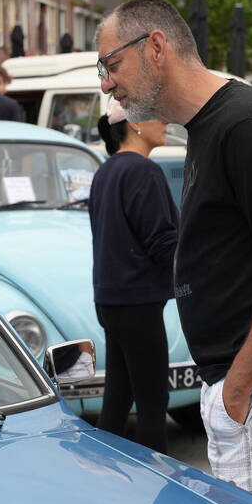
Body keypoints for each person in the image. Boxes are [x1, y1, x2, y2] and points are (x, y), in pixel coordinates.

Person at [96, 0, 252, 504]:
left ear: (155, 46)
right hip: (249, 389)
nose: (106, 84)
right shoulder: (212, 125)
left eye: (111, 64)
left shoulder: (242, 123)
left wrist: (238, 391)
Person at [87, 98, 178, 454]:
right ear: (136, 124)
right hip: (139, 301)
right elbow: (162, 241)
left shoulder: (106, 171)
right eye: (158, 115)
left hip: (111, 298)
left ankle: (103, 476)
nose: (166, 120)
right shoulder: (142, 171)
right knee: (153, 402)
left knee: (119, 397)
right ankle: (159, 486)